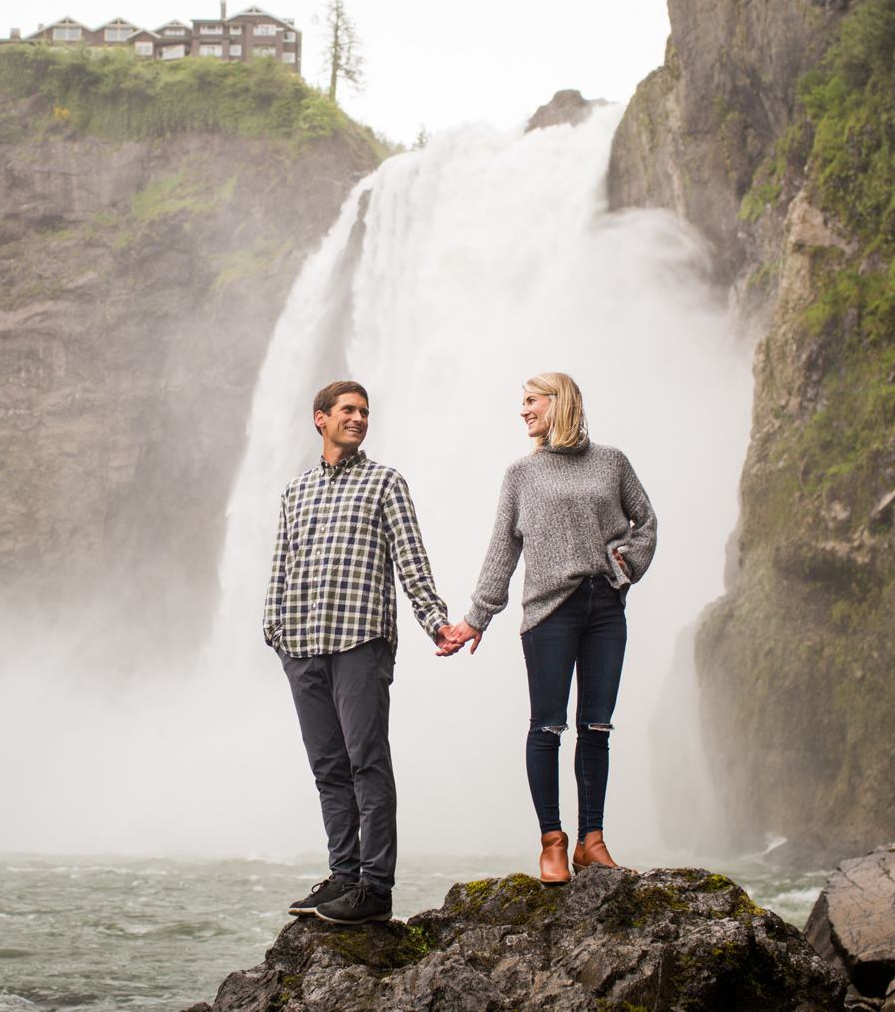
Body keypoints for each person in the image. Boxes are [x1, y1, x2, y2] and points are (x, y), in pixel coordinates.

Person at [440, 372, 657, 884]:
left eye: (530, 401)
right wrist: (476, 618)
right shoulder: (521, 474)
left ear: (559, 404)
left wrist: (622, 567)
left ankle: (592, 841)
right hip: (548, 613)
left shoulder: (612, 461)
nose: (523, 411)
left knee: (596, 726)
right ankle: (553, 842)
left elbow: (645, 521)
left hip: (605, 607)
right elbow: (503, 549)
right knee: (547, 726)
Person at [267, 380, 459, 925]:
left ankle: (374, 887)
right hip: (302, 646)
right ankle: (343, 877)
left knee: (366, 762)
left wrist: (434, 622)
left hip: (359, 641)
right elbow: (280, 567)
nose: (358, 419)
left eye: (365, 412)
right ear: (320, 419)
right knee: (328, 767)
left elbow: (411, 560)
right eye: (348, 410)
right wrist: (275, 635)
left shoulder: (386, 484)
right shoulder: (295, 491)